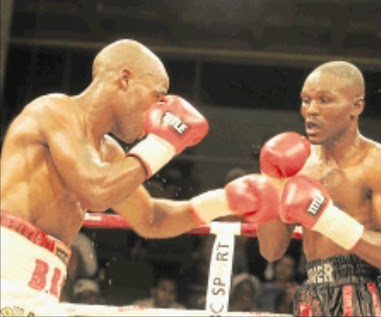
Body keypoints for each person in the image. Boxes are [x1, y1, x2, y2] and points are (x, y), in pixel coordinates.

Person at [0, 39, 281, 316]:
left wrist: (227, 201)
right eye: (157, 97)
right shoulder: (54, 110)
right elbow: (95, 188)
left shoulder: (109, 154)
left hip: (41, 291)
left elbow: (152, 219)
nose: (158, 111)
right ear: (125, 79)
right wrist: (164, 144)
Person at [257, 61, 381, 316]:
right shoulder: (297, 163)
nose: (311, 110)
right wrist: (271, 183)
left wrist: (327, 219)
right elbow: (272, 251)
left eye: (325, 100)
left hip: (364, 291)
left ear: (357, 106)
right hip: (312, 291)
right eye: (306, 100)